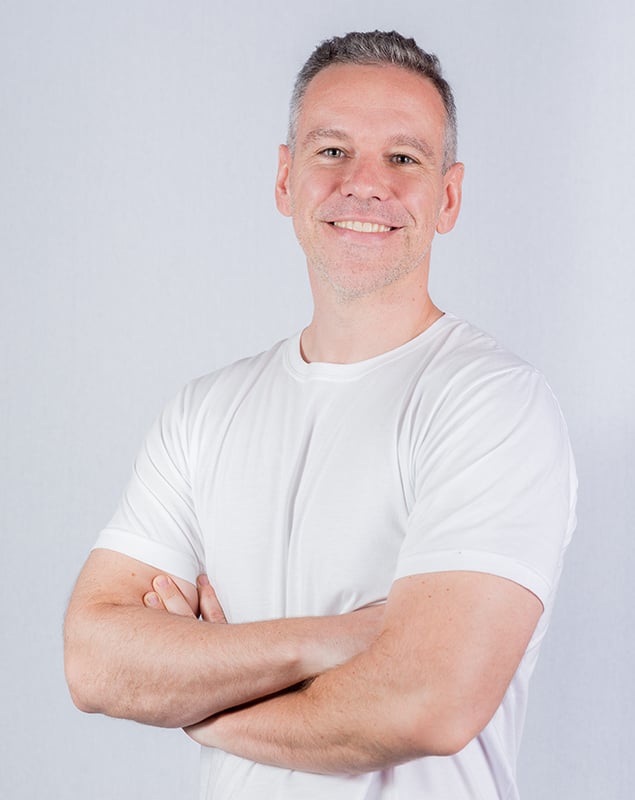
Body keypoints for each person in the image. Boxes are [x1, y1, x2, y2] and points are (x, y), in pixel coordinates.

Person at [64, 30, 577, 799]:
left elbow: (426, 705)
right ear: (285, 178)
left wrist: (202, 700)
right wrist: (341, 638)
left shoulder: (490, 403)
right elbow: (94, 661)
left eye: (402, 158)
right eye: (332, 150)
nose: (364, 183)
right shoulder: (204, 413)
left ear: (447, 197)